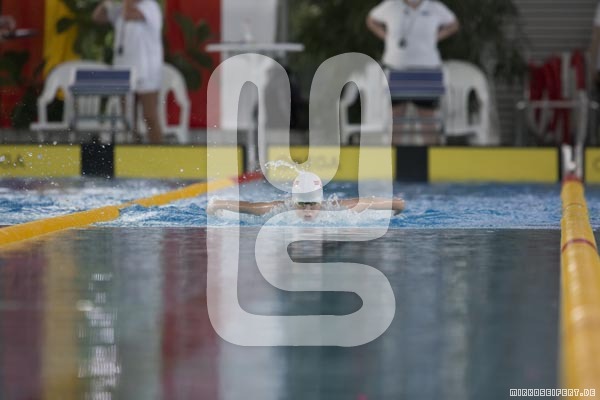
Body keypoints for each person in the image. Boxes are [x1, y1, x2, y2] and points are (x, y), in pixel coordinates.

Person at [366, 0, 459, 145]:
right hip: (396, 69)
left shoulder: (434, 7)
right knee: (396, 118)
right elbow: (371, 20)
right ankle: (395, 156)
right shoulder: (391, 5)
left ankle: (429, 156)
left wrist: (435, 37)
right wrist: (386, 37)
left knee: (428, 119)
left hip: (426, 71)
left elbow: (453, 24)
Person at [93, 0, 164, 144]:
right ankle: (134, 148)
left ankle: (158, 150)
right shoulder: (122, 8)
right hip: (124, 69)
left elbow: (128, 15)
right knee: (128, 118)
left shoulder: (150, 6)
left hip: (147, 71)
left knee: (149, 116)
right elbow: (97, 17)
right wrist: (106, 3)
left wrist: (126, 2)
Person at [207, 172, 406, 222]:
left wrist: (396, 209)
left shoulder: (335, 208)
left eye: (313, 204)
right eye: (302, 204)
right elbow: (249, 206)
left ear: (320, 202)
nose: (308, 210)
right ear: (294, 202)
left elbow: (372, 202)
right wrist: (216, 204)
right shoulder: (280, 209)